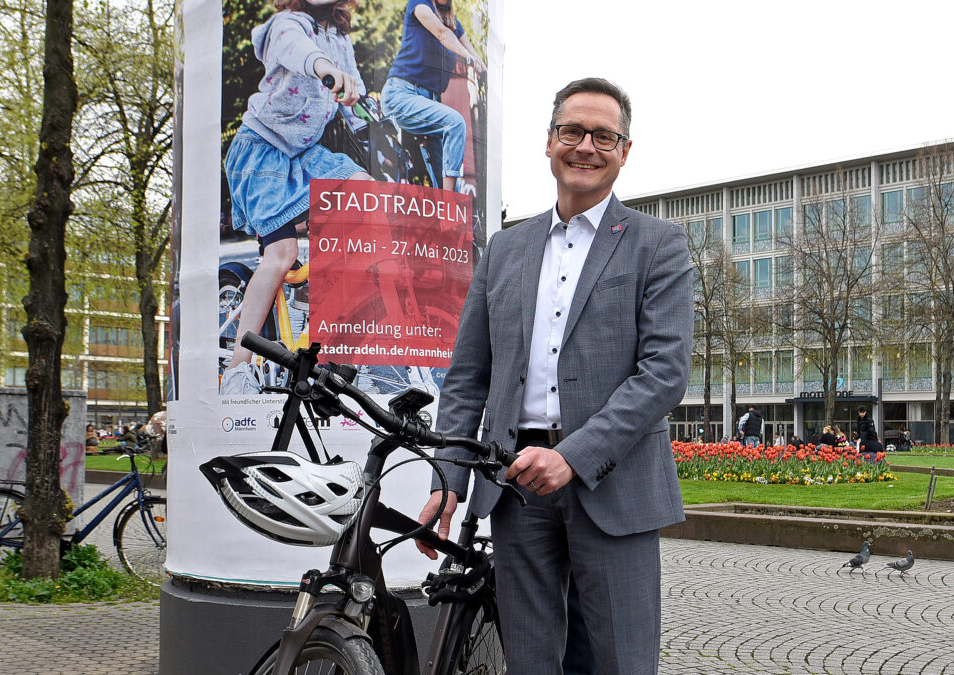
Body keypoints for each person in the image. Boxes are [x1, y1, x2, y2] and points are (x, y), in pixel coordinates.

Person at [416, 77, 693, 674]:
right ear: (549, 142)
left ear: (624, 150)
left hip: (613, 484)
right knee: (532, 663)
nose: (586, 146)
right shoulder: (504, 250)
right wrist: (448, 477)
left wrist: (572, 456)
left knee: (623, 663)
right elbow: (468, 377)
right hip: (514, 486)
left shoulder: (658, 244)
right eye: (573, 131)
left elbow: (664, 373)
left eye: (603, 135)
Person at [221, 0, 374, 393]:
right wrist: (326, 69)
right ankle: (238, 368)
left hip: (303, 154)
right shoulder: (284, 25)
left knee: (362, 189)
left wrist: (373, 114)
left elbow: (356, 103)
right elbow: (302, 53)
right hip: (262, 150)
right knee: (281, 253)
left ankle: (319, 315)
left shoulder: (340, 38)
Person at [381, 0, 485, 192]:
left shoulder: (455, 24)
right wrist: (466, 56)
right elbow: (441, 33)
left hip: (429, 101)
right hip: (401, 94)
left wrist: (481, 67)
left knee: (440, 167)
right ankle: (449, 202)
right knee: (455, 122)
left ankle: (446, 211)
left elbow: (474, 54)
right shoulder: (419, 4)